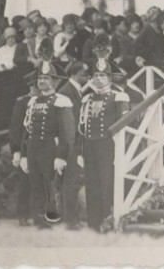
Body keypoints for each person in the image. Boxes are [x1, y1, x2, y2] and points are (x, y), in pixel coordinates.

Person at [20, 53, 76, 229]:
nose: (42, 81)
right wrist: (23, 154)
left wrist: (62, 156)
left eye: (46, 78)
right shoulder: (33, 101)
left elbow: (67, 132)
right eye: (40, 78)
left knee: (51, 185)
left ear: (54, 81)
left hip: (50, 148)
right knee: (36, 185)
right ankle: (40, 221)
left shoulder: (61, 101)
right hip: (33, 148)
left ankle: (53, 220)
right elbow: (27, 129)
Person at [77, 51, 131, 231]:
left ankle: (107, 221)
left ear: (110, 78)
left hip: (108, 146)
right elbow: (81, 128)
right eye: (96, 76)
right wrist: (80, 151)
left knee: (107, 185)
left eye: (102, 76)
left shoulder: (118, 97)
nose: (99, 79)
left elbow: (123, 126)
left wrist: (120, 150)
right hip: (90, 146)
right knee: (92, 184)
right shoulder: (87, 99)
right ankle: (94, 223)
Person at [58, 57, 89, 230]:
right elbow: (67, 122)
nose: (88, 77)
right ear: (77, 74)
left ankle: (67, 217)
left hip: (74, 142)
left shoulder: (75, 91)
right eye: (85, 74)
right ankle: (70, 219)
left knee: (70, 182)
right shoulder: (66, 92)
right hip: (70, 143)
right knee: (71, 181)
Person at [9, 71, 38, 226]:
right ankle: (23, 215)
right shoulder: (22, 103)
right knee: (25, 184)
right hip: (25, 148)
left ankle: (40, 215)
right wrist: (16, 150)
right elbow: (15, 128)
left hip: (41, 148)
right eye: (34, 85)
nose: (36, 88)